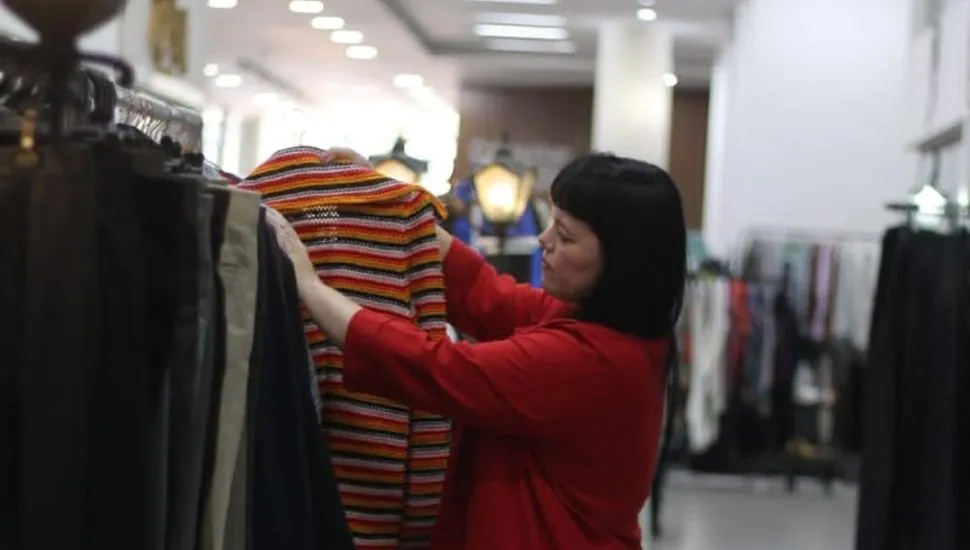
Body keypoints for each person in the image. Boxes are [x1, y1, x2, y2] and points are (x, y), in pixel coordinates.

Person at [266, 149, 687, 550]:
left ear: (621, 261)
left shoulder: (591, 360)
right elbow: (487, 295)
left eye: (565, 235)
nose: (544, 240)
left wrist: (309, 286)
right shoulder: (617, 330)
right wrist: (386, 201)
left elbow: (433, 366)